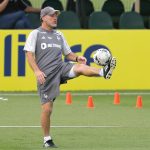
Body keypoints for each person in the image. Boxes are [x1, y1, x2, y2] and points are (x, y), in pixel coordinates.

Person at [24, 6, 116, 148]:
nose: (55, 17)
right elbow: (29, 55)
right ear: (43, 18)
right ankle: (47, 139)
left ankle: (103, 72)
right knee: (47, 109)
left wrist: (77, 57)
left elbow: (68, 54)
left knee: (79, 68)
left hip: (61, 68)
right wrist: (36, 71)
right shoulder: (35, 34)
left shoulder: (59, 35)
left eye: (56, 15)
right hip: (46, 75)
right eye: (51, 15)